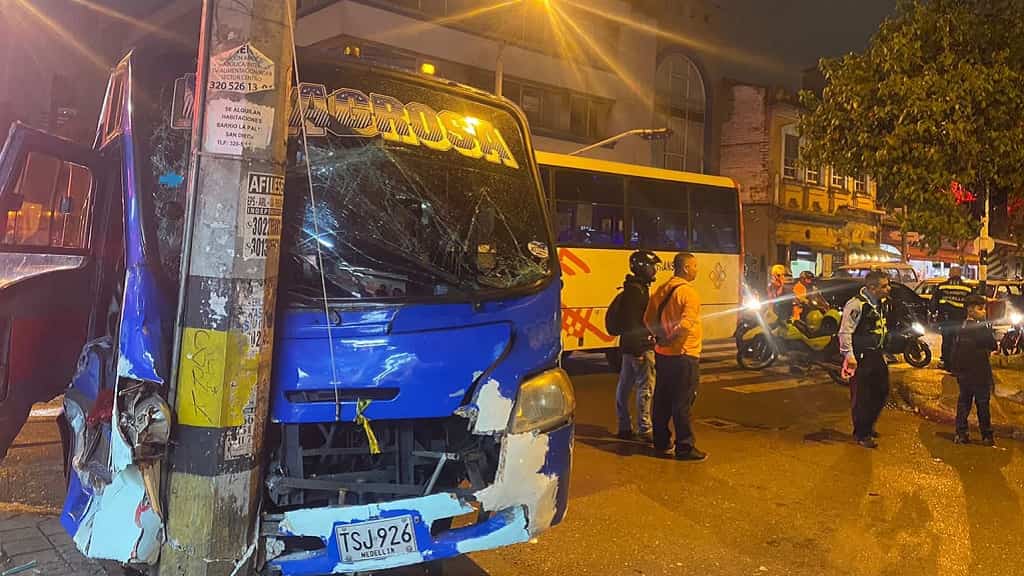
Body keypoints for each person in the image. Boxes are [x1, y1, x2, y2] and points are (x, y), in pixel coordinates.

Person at [644, 252, 705, 461]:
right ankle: (685, 447)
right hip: (684, 354)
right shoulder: (688, 293)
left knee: (661, 400)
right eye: (695, 266)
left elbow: (648, 318)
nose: (697, 270)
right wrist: (671, 339)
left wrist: (660, 338)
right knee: (682, 403)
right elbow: (686, 324)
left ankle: (661, 442)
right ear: (686, 268)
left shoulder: (662, 289)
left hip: (663, 355)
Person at [838, 270, 892, 448]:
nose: (888, 289)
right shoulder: (856, 305)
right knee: (862, 396)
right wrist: (849, 355)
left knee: (882, 391)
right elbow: (845, 331)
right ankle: (861, 433)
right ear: (872, 287)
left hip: (876, 354)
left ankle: (867, 426)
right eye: (884, 286)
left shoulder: (879, 303)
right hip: (861, 357)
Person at [614, 250, 661, 442]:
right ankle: (645, 428)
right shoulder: (637, 292)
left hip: (628, 346)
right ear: (643, 268)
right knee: (645, 387)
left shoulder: (631, 288)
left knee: (624, 387)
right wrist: (640, 348)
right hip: (639, 347)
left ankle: (624, 426)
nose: (654, 270)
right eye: (652, 266)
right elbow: (635, 323)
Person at [953, 295, 997, 445]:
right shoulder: (980, 328)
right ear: (970, 310)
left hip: (964, 373)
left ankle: (961, 433)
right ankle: (986, 435)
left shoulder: (961, 327)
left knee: (964, 403)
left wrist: (957, 370)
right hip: (980, 373)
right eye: (980, 309)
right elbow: (992, 344)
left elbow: (955, 350)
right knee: (982, 404)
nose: (984, 312)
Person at [930, 264, 973, 371]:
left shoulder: (941, 286)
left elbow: (933, 302)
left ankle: (946, 362)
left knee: (947, 341)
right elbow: (971, 304)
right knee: (958, 340)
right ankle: (957, 362)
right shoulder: (967, 288)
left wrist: (932, 313)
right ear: (960, 274)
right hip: (960, 319)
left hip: (946, 319)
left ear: (950, 274)